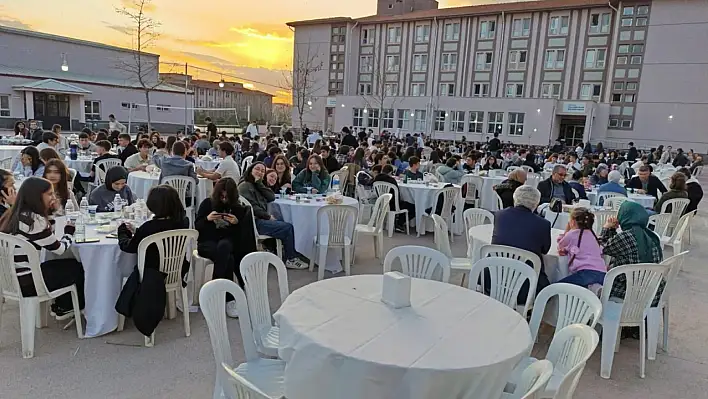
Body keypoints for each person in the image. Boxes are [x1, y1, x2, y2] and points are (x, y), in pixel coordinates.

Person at [0, 177, 84, 319]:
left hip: (10, 278)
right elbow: (60, 249)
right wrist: (69, 231)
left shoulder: (14, 214)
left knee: (61, 266)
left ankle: (63, 305)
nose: (53, 196)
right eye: (50, 194)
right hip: (28, 282)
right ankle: (67, 307)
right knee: (78, 267)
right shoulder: (34, 221)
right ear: (37, 196)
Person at [195, 178, 257, 317]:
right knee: (227, 257)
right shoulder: (207, 204)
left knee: (225, 250)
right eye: (221, 196)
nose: (224, 199)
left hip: (226, 240)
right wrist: (207, 219)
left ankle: (214, 293)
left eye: (226, 196)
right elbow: (197, 226)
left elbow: (242, 236)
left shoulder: (237, 207)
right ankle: (228, 299)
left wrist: (236, 222)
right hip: (207, 242)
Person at [238, 162, 308, 269]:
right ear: (250, 170)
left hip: (259, 220)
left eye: (262, 171)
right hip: (254, 223)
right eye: (257, 169)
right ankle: (291, 258)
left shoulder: (256, 185)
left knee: (283, 222)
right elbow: (253, 207)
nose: (260, 172)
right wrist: (267, 216)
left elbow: (271, 197)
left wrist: (260, 183)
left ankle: (285, 251)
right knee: (288, 227)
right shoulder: (245, 186)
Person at [600, 201, 663, 318]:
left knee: (597, 283)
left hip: (629, 290)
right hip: (651, 290)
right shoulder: (651, 236)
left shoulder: (626, 237)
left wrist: (606, 228)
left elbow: (604, 248)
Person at [491, 186, 551, 303]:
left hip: (494, 277)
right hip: (525, 285)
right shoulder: (543, 224)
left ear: (515, 199)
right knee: (549, 289)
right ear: (536, 203)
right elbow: (545, 249)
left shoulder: (499, 215)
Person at [556, 208, 607, 287]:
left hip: (585, 273)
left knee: (556, 287)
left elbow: (561, 244)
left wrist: (567, 230)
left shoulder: (572, 234)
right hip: (602, 273)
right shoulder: (593, 235)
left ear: (572, 222)